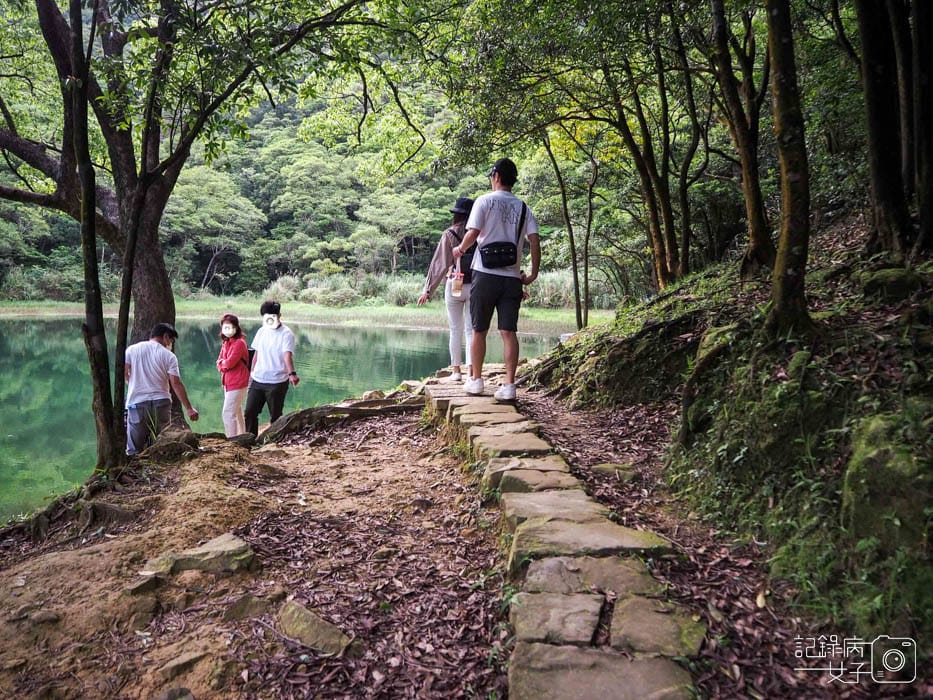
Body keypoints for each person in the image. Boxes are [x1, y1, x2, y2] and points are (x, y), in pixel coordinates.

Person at [452, 158, 540, 402]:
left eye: (492, 174)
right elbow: (534, 241)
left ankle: (476, 381)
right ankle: (509, 386)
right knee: (508, 332)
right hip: (512, 277)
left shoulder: (484, 201)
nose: (491, 178)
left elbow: (473, 233)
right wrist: (532, 274)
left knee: (479, 329)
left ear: (497, 176)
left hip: (485, 274)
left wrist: (459, 250)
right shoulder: (524, 207)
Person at [418, 196, 476, 381]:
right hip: (475, 284)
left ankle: (456, 372)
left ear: (456, 215)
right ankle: (471, 372)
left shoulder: (449, 234)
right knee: (471, 330)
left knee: (455, 329)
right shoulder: (480, 233)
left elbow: (439, 264)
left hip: (454, 284)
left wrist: (428, 290)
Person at [124, 323, 199, 455]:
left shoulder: (132, 350)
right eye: (171, 340)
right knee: (159, 444)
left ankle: (134, 471)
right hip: (161, 403)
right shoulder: (169, 356)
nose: (170, 343)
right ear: (165, 336)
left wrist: (132, 384)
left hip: (137, 402)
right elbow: (176, 383)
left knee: (134, 448)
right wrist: (189, 408)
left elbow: (123, 372)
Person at [244, 300, 299, 436]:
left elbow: (287, 356)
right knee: (250, 412)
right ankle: (250, 440)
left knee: (275, 416)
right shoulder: (262, 331)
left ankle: (273, 440)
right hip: (258, 379)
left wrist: (292, 374)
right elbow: (256, 353)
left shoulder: (286, 334)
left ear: (279, 315)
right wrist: (251, 373)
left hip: (277, 382)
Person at [215, 313, 249, 437]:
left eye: (230, 327)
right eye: (225, 327)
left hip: (238, 382)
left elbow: (229, 363)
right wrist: (222, 364)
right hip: (228, 382)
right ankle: (241, 436)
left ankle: (232, 439)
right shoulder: (226, 342)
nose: (228, 330)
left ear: (236, 327)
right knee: (237, 410)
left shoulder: (239, 343)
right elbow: (219, 361)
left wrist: (223, 364)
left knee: (228, 412)